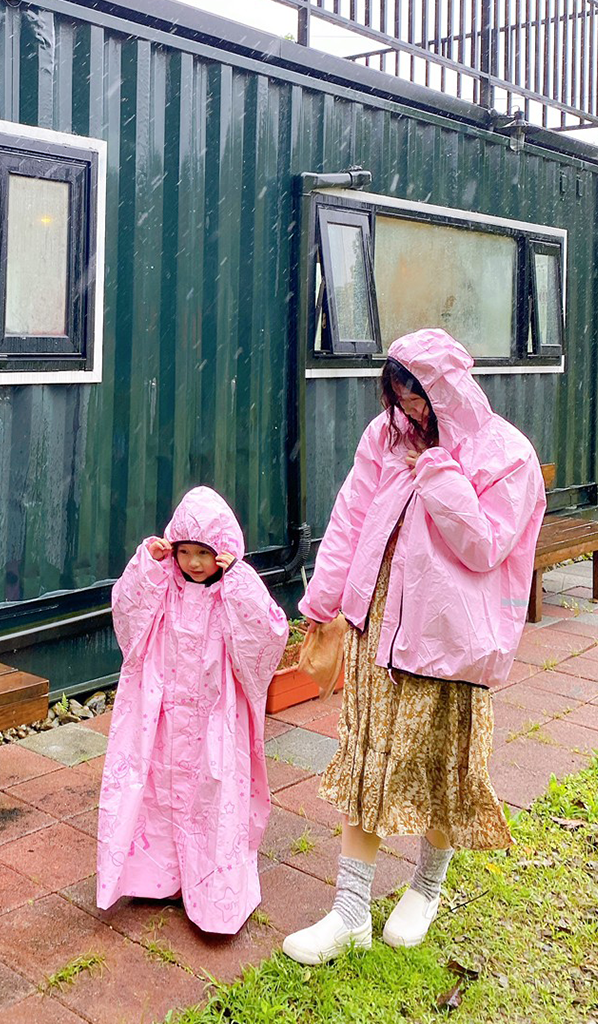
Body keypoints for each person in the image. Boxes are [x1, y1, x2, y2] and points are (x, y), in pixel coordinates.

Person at [282, 328, 546, 963]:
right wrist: (322, 604)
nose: (409, 409)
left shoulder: (507, 455)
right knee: (368, 757)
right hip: (381, 627)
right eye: (398, 395)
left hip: (451, 640)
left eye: (418, 395)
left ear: (446, 388)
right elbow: (350, 516)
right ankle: (350, 910)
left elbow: (484, 545)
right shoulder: (386, 436)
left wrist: (436, 470)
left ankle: (426, 887)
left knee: (442, 762)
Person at [97, 485, 289, 934]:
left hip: (214, 720)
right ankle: (157, 877)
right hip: (163, 718)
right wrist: (148, 564)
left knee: (211, 798)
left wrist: (238, 580)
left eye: (204, 553)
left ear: (222, 552)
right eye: (184, 551)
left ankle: (213, 894)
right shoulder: (164, 588)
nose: (194, 563)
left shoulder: (234, 593)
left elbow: (268, 633)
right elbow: (127, 612)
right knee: (159, 793)